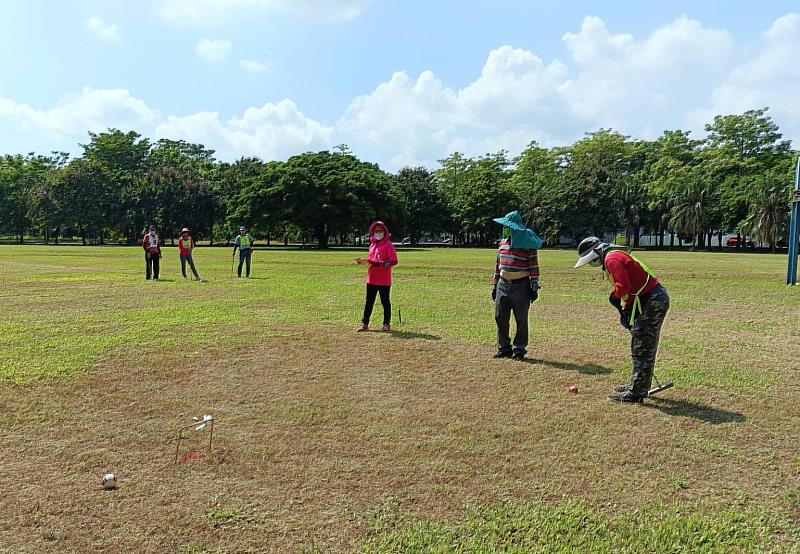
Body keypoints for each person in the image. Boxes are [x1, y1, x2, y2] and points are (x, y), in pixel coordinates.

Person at [575, 237, 670, 403]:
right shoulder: (614, 255)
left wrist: (615, 297)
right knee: (643, 344)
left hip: (652, 300)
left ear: (597, 253)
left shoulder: (612, 259)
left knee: (641, 346)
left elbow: (623, 287)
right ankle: (638, 386)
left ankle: (636, 392)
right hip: (651, 298)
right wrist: (626, 310)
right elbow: (630, 289)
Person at [491, 211, 542, 361]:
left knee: (521, 319)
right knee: (500, 317)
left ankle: (519, 349)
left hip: (521, 286)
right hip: (503, 284)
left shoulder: (528, 246)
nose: (505, 229)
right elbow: (497, 264)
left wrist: (533, 287)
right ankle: (504, 348)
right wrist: (495, 285)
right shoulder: (503, 243)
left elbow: (533, 267)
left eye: (508, 226)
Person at [356, 221, 398, 333]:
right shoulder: (372, 245)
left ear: (384, 232)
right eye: (376, 231)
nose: (378, 233)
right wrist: (365, 261)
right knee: (369, 301)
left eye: (380, 231)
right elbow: (372, 260)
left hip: (384, 279)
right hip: (372, 278)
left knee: (385, 301)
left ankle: (386, 324)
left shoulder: (388, 245)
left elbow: (394, 261)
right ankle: (365, 324)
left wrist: (383, 263)